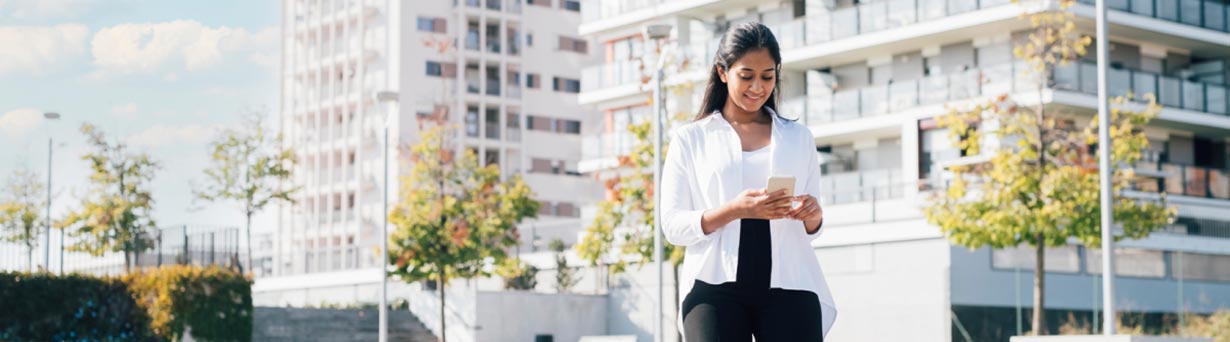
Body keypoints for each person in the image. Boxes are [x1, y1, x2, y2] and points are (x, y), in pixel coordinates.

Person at [661, 22, 836, 341]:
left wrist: (813, 216)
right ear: (723, 72)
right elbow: (672, 226)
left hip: (790, 282)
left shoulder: (799, 138)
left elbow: (813, 229)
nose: (758, 86)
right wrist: (735, 210)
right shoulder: (691, 139)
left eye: (767, 76)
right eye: (747, 76)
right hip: (713, 287)